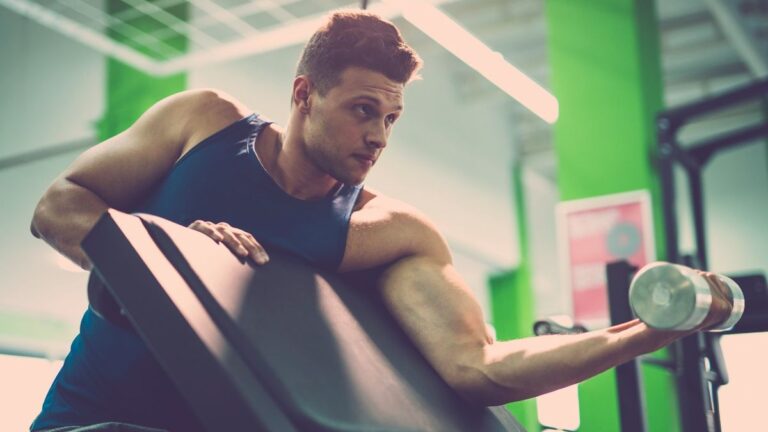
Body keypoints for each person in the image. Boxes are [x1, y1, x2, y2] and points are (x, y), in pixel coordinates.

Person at [29, 10, 734, 432]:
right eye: (364, 110)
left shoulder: (388, 232)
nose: (379, 136)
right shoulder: (201, 123)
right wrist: (164, 260)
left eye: (392, 117)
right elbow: (58, 204)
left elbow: (478, 367)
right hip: (88, 421)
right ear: (304, 93)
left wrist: (645, 333)